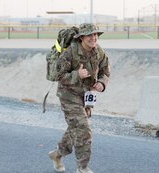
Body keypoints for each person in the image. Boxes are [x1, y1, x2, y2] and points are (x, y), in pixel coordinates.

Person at [48, 23, 110, 173]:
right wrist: (77, 75)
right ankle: (83, 168)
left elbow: (105, 71)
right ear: (81, 37)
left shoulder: (99, 51)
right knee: (83, 129)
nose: (93, 38)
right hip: (68, 95)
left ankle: (57, 154)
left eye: (95, 35)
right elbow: (58, 76)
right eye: (89, 35)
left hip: (86, 96)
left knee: (75, 128)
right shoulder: (70, 53)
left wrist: (101, 83)